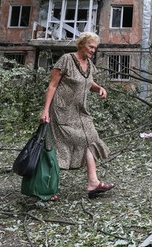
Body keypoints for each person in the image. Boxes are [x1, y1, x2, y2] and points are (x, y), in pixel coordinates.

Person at [40, 31, 115, 199]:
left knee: (91, 138)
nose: (93, 50)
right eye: (90, 46)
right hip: (61, 111)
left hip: (81, 112)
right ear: (81, 44)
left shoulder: (88, 64)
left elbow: (88, 82)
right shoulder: (67, 59)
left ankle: (93, 183)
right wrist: (45, 110)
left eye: (95, 48)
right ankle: (47, 189)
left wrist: (99, 88)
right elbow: (52, 85)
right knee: (58, 148)